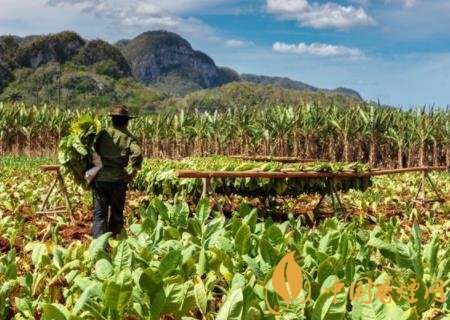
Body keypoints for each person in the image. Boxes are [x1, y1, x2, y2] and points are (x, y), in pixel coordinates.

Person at [91, 104, 143, 238]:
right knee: (116, 214)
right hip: (118, 181)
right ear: (126, 121)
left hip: (100, 178)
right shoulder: (129, 137)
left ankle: (99, 247)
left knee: (99, 215)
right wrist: (133, 172)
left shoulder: (102, 134)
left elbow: (92, 151)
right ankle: (115, 242)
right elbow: (137, 154)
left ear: (112, 120)